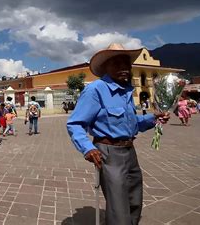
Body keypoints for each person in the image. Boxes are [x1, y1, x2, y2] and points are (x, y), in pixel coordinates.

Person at [66, 43, 170, 225]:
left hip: (130, 151)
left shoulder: (126, 91)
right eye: (117, 63)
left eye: (126, 64)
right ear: (106, 66)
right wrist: (88, 148)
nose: (124, 68)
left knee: (134, 201)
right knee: (118, 206)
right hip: (108, 152)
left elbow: (132, 124)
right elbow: (75, 124)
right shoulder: (95, 90)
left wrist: (154, 118)